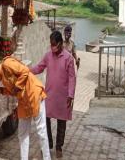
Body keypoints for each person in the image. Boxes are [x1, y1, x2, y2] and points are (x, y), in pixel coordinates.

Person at [0, 57, 51, 160]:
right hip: (23, 101)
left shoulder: (7, 64)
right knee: (22, 133)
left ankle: (47, 158)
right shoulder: (3, 78)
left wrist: (17, 86)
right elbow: (12, 92)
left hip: (34, 95)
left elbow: (25, 71)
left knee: (41, 131)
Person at [30, 30, 76, 159]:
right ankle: (48, 144)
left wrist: (70, 95)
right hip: (49, 94)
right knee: (46, 119)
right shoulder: (48, 55)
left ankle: (59, 147)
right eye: (51, 44)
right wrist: (27, 70)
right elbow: (39, 67)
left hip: (63, 96)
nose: (52, 47)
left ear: (60, 43)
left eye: (54, 44)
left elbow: (72, 78)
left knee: (62, 122)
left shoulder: (68, 58)